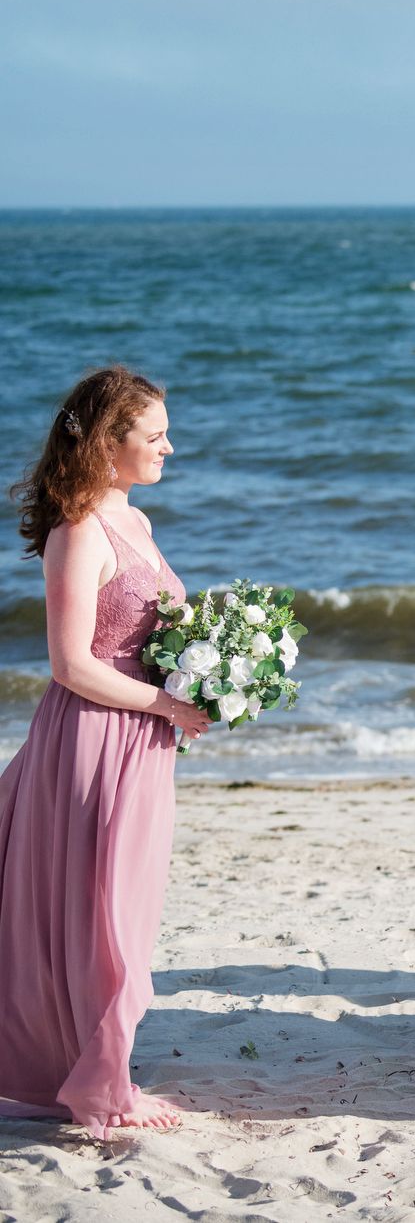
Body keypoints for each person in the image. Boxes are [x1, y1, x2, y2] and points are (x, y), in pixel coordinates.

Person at [0, 367, 209, 1138]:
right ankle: (103, 1088)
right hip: (91, 738)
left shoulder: (137, 523)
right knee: (102, 917)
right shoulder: (78, 530)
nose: (169, 447)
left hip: (143, 740)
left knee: (128, 910)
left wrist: (212, 671)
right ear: (106, 441)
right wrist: (164, 701)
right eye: (153, 436)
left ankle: (101, 1066)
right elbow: (71, 663)